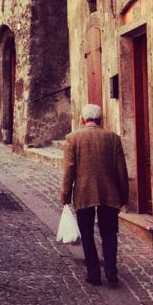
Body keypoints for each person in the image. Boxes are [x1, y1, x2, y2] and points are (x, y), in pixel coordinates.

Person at [60, 103, 129, 287]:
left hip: (84, 193)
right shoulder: (113, 138)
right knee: (109, 232)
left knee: (87, 232)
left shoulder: (72, 138)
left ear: (82, 119)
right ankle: (111, 270)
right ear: (100, 119)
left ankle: (94, 273)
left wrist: (65, 195)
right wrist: (124, 196)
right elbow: (122, 170)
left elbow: (69, 169)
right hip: (109, 192)